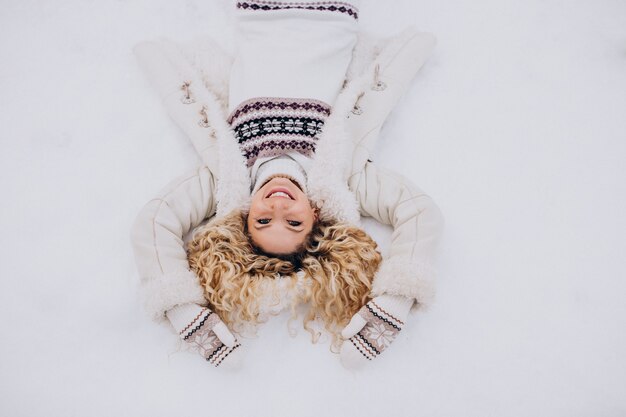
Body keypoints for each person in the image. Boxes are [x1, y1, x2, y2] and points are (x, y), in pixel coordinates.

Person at [130, 0, 443, 369]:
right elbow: (419, 212)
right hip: (330, 17)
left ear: (245, 218)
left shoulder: (227, 178)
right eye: (294, 223)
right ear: (314, 214)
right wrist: (394, 303)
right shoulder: (345, 177)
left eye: (262, 222)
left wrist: (186, 313)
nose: (277, 208)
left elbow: (155, 223)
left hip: (260, 16)